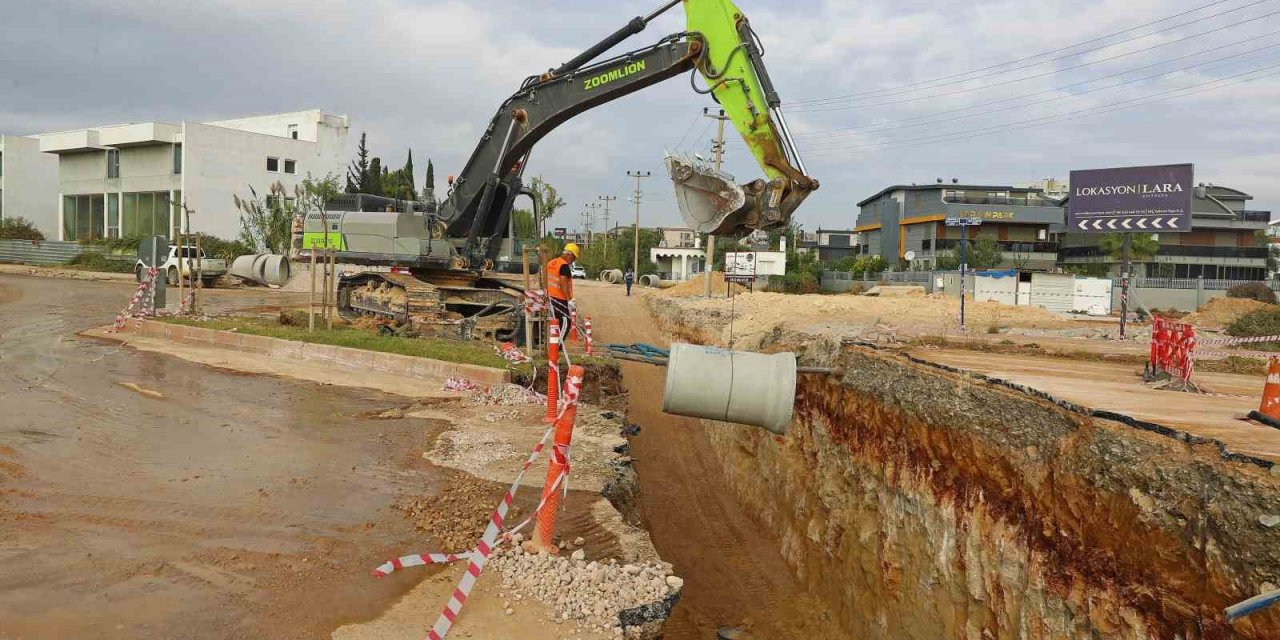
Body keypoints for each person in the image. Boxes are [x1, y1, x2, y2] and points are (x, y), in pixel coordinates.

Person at [545, 243, 580, 333]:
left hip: (548, 297)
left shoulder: (551, 263)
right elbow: (563, 284)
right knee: (566, 323)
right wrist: (569, 300)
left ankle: (554, 341)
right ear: (570, 254)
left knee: (554, 324)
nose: (573, 260)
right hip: (559, 300)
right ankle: (559, 342)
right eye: (574, 258)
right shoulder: (564, 265)